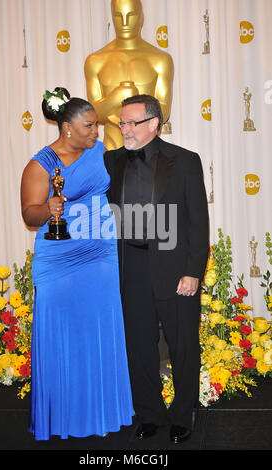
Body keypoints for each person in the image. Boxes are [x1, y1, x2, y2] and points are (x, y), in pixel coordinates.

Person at [21, 87, 134, 440]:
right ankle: (65, 416)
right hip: (60, 257)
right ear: (67, 127)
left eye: (96, 126)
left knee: (99, 328)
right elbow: (29, 212)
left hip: (100, 252)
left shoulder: (100, 152)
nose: (96, 132)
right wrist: (47, 209)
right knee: (63, 334)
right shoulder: (40, 165)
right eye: (89, 126)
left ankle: (104, 410)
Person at [104, 94, 209, 443]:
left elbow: (198, 222)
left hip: (175, 265)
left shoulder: (184, 161)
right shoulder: (110, 161)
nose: (124, 128)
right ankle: (149, 413)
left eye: (131, 122)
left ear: (154, 124)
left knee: (182, 344)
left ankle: (183, 414)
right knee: (139, 345)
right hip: (129, 265)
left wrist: (193, 271)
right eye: (122, 122)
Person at [84, 0, 173, 150]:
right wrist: (115, 99)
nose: (124, 22)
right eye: (118, 15)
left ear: (141, 17)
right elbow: (93, 115)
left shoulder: (160, 60)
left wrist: (135, 108)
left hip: (148, 149)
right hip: (112, 147)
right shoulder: (95, 61)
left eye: (131, 15)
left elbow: (163, 111)